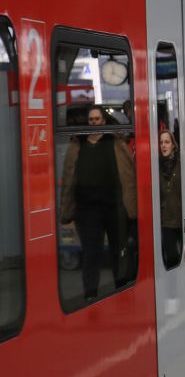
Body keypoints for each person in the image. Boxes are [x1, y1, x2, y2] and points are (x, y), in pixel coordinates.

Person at [59, 105, 137, 301]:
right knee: (90, 254)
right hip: (87, 211)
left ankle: (122, 290)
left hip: (114, 208)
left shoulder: (116, 143)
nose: (94, 122)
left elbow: (130, 177)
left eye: (97, 119)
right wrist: (66, 211)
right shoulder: (77, 145)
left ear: (104, 121)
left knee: (118, 250)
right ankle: (90, 295)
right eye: (91, 119)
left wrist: (133, 208)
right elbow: (68, 179)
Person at [159, 131, 183, 269]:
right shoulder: (156, 165)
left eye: (167, 142)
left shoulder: (182, 163)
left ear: (173, 145)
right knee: (172, 258)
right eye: (161, 142)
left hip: (182, 218)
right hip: (167, 220)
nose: (163, 145)